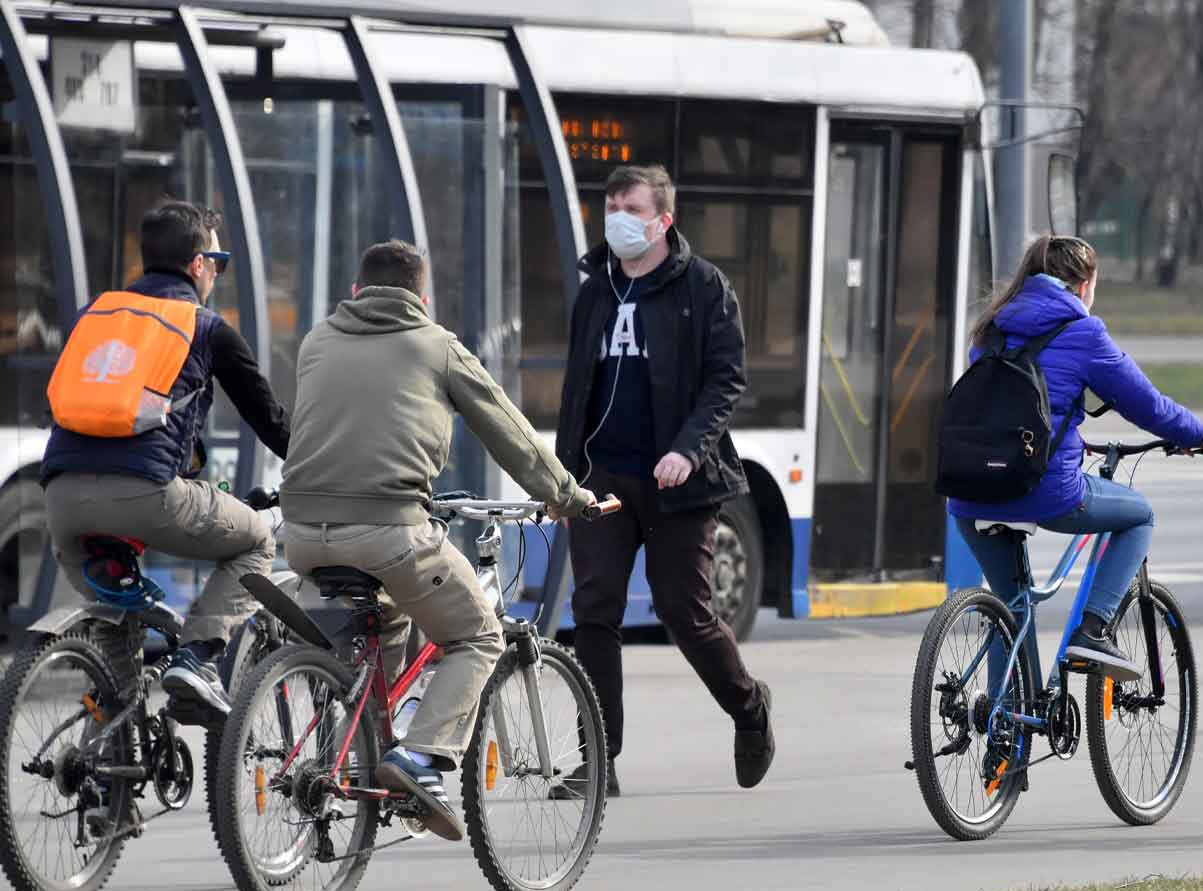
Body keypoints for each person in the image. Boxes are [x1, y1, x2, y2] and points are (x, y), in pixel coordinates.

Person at [279, 240, 593, 841]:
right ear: (421, 297)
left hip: (301, 535)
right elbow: (512, 434)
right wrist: (567, 494)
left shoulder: (317, 341)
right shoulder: (437, 345)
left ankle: (364, 752)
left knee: (389, 622)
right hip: (390, 531)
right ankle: (420, 758)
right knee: (479, 634)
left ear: (355, 294)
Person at [552, 165, 773, 796]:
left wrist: (687, 449)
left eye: (631, 207)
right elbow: (576, 392)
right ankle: (600, 761)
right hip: (603, 479)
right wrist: (563, 476)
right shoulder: (596, 290)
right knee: (594, 609)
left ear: (663, 220)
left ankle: (750, 709)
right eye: (611, 203)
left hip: (680, 480)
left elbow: (725, 380)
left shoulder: (704, 288)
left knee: (685, 612)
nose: (617, 216)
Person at [41, 200, 289, 716]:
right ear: (198, 264)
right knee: (257, 538)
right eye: (216, 263)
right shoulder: (204, 326)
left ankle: (109, 767)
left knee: (117, 640)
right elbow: (268, 420)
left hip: (60, 499)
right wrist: (317, 471)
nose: (216, 275)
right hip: (146, 495)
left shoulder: (95, 314)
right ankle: (197, 658)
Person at [948, 235, 1203, 686]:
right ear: (1082, 285)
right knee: (1139, 517)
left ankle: (1005, 738)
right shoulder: (1083, 333)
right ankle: (1092, 631)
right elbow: (1148, 406)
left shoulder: (991, 328)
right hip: (1044, 491)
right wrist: (1198, 434)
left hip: (970, 490)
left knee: (1010, 606)